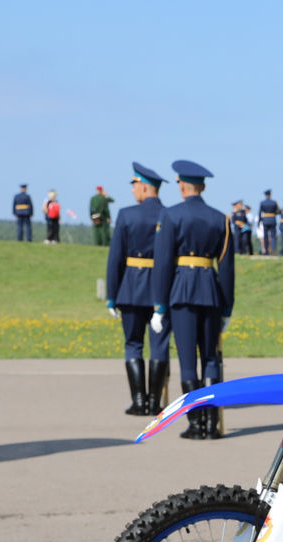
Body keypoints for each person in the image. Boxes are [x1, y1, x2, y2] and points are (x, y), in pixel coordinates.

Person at [150, 159, 234, 440]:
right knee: (210, 359)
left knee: (188, 362)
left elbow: (163, 264)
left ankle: (196, 423)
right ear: (202, 187)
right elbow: (226, 268)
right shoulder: (220, 218)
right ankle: (212, 423)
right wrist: (226, 308)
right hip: (210, 293)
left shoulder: (171, 215)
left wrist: (159, 305)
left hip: (182, 293)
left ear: (182, 185)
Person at [106, 162, 170, 415]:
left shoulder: (126, 215)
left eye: (134, 186)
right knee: (159, 345)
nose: (133, 191)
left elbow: (115, 259)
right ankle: (154, 402)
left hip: (131, 288)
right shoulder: (169, 214)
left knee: (133, 344)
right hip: (160, 290)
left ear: (145, 187)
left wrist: (112, 296)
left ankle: (139, 401)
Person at [257, 190, 279, 255]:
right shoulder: (274, 202)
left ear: (265, 195)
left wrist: (259, 222)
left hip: (265, 220)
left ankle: (266, 251)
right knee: (273, 236)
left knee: (265, 236)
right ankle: (273, 250)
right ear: (270, 195)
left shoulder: (262, 203)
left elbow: (260, 213)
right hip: (272, 219)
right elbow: (277, 212)